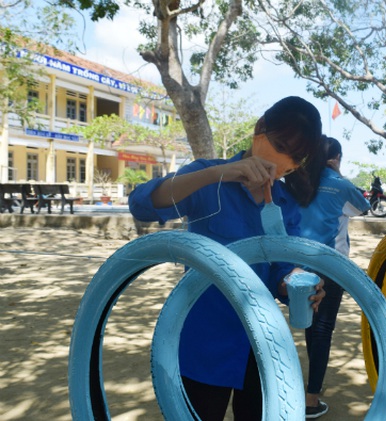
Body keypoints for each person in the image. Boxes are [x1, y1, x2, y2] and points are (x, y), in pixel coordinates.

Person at [128, 96, 327, 421]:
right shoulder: (208, 177)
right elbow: (142, 204)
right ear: (259, 130)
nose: (285, 162)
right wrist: (219, 173)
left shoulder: (285, 201)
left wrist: (297, 284)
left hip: (261, 344)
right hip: (204, 339)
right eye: (281, 145)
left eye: (296, 157)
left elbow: (282, 266)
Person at [298, 136, 370, 418]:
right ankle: (311, 399)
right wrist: (338, 174)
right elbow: (364, 207)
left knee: (309, 325)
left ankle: (309, 388)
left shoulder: (298, 182)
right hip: (331, 267)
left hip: (299, 265)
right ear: (336, 158)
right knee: (323, 329)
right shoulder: (340, 185)